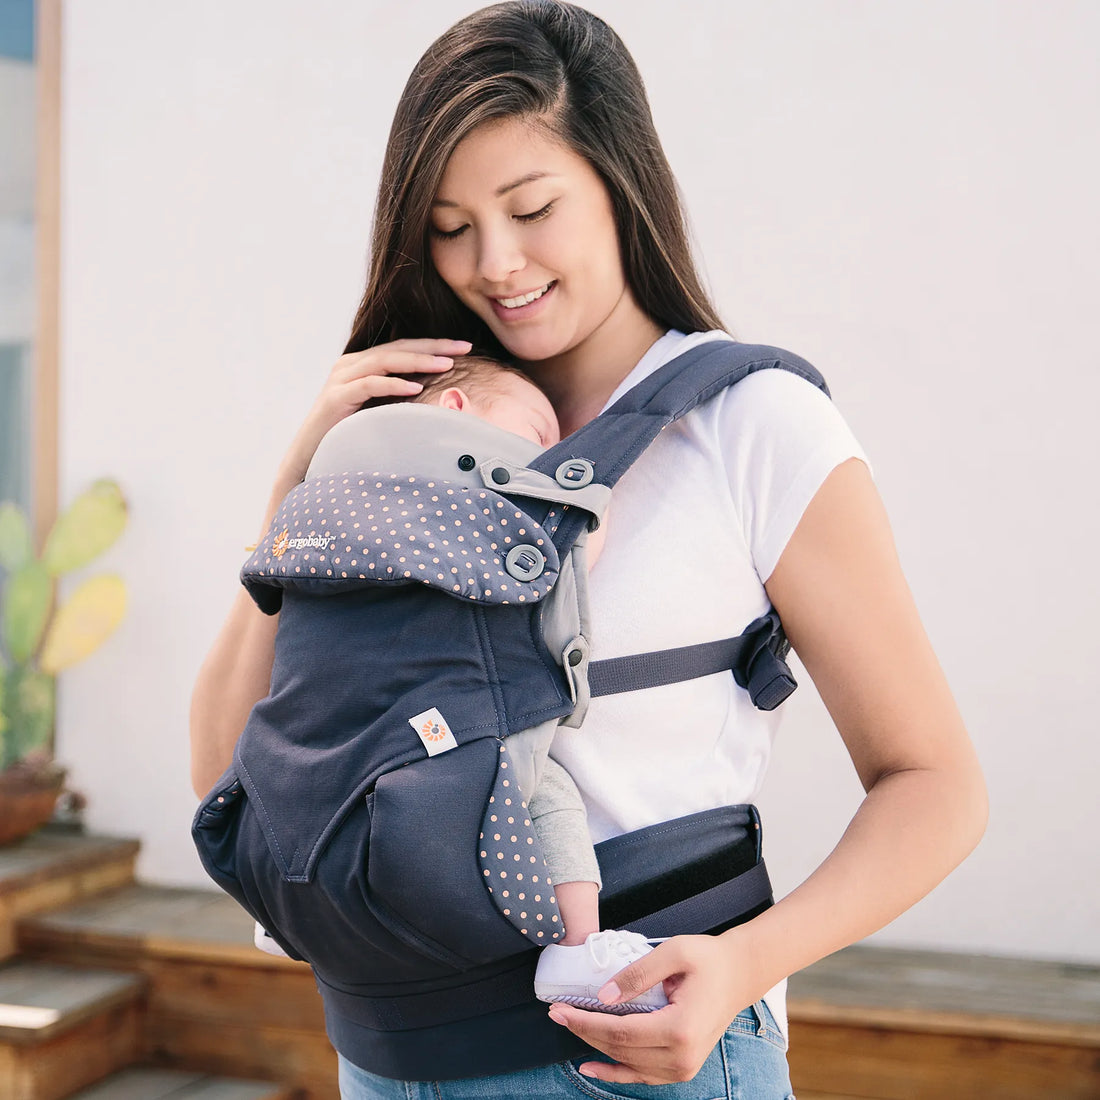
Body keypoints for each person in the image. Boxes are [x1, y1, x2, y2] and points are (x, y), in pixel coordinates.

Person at [190, 2, 987, 1095]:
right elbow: (224, 768)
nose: (495, 262)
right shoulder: (407, 431)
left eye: (530, 208)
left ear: (619, 183)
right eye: (450, 225)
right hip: (388, 1057)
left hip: (636, 1053)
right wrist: (299, 483)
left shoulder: (747, 423)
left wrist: (742, 964)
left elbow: (935, 782)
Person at [249, 351, 667, 1013]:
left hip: (333, 706)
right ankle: (578, 948)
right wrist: (592, 500)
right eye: (538, 431)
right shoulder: (480, 501)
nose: (551, 451)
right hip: (445, 724)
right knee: (548, 790)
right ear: (456, 412)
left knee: (305, 776)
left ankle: (294, 909)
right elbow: (569, 557)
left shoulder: (334, 499)